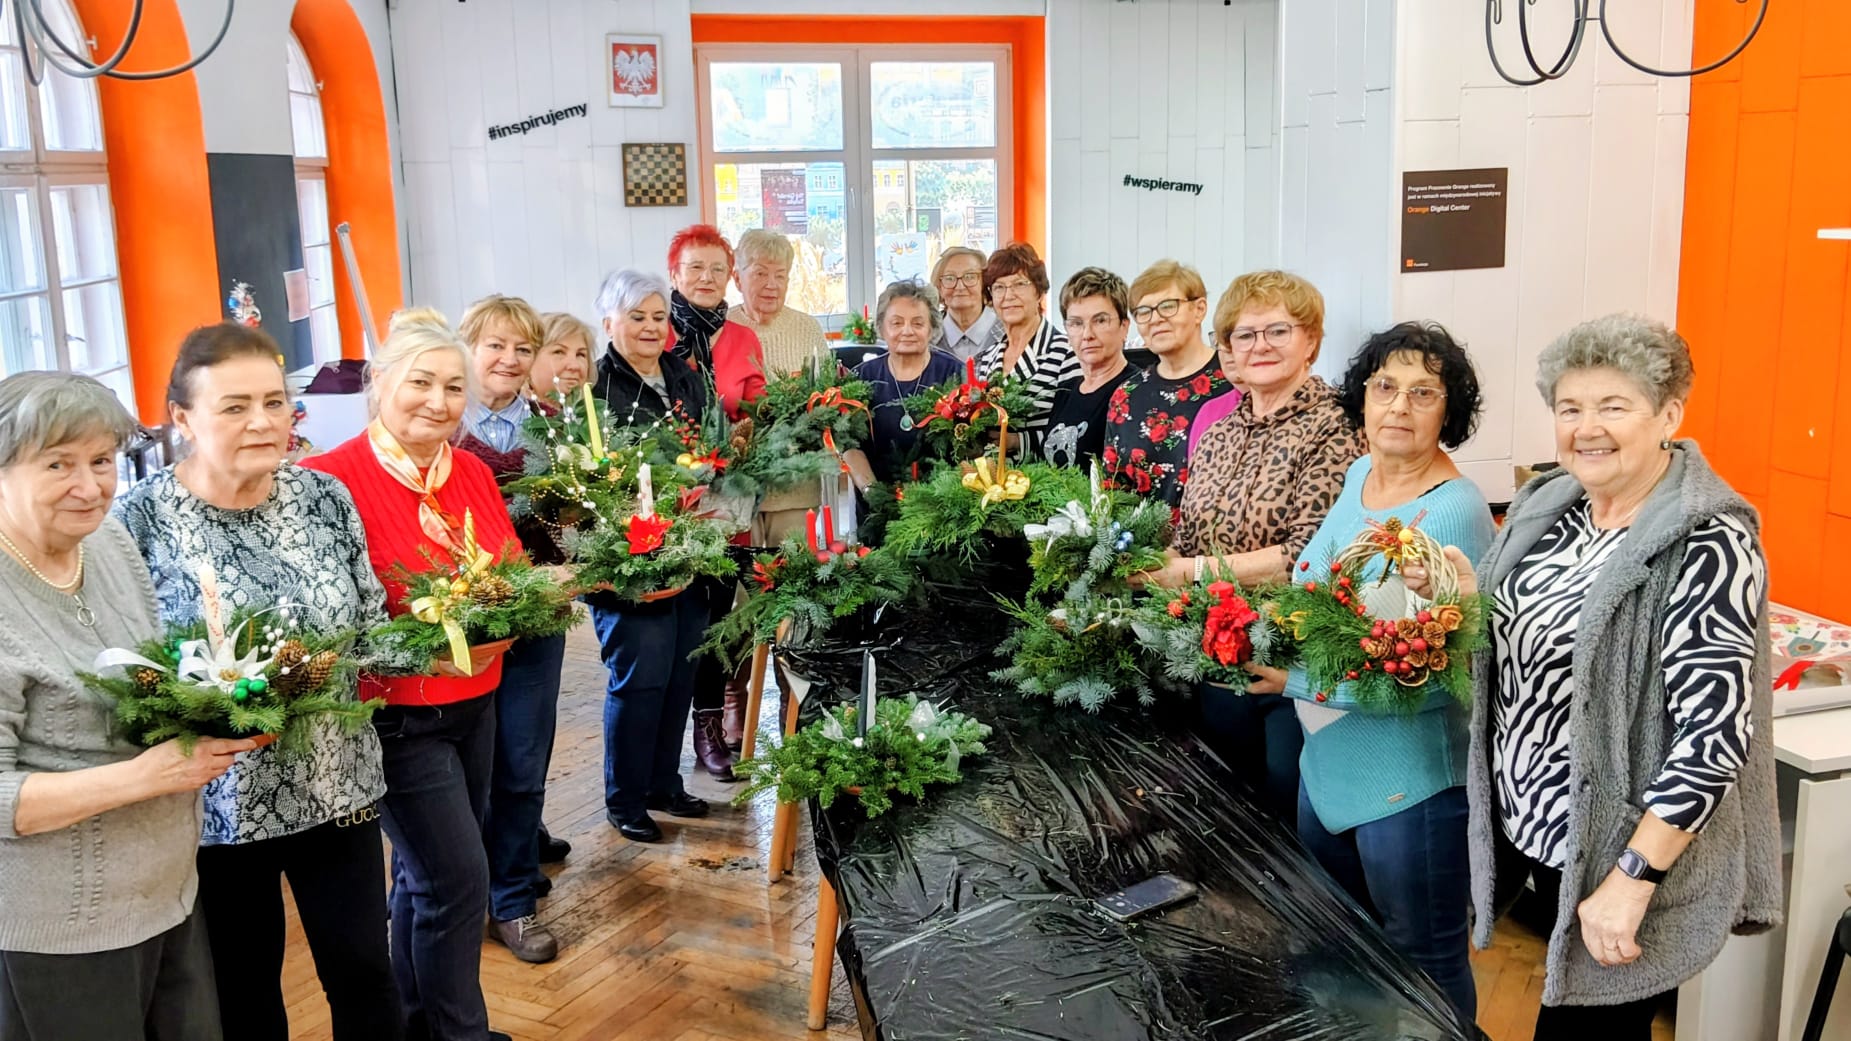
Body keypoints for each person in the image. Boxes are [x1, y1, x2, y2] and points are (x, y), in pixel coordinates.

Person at [1408, 313, 1780, 1040]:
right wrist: (1464, 597)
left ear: (1668, 413)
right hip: (1540, 836)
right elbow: (1537, 643)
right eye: (1569, 407)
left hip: (1622, 852)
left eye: (1613, 406)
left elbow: (1712, 737)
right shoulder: (1553, 505)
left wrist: (1631, 878)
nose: (1586, 427)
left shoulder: (1707, 539)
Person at [114, 324, 404, 1039]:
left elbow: (369, 627)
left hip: (338, 785)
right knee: (243, 993)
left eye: (275, 402)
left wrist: (446, 630)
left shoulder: (323, 497)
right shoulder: (137, 520)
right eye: (235, 405)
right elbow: (128, 670)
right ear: (181, 417)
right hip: (216, 808)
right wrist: (212, 705)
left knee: (366, 972)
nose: (264, 421)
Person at [1240, 322, 1493, 1027]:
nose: (1398, 407)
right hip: (1327, 766)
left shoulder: (1452, 510)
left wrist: (1290, 680)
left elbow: (1435, 674)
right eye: (1384, 387)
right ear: (1362, 397)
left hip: (1406, 784)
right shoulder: (1358, 476)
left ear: (1450, 409)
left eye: (1423, 393)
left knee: (1425, 962)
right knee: (1344, 949)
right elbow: (1313, 588)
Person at [0, 371, 254, 1041]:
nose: (90, 486)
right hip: (60, 929)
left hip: (167, 892)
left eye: (102, 460)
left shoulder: (109, 542)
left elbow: (146, 677)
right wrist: (146, 776)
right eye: (58, 463)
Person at [302, 308, 524, 1041]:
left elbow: (512, 573)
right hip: (396, 715)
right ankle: (461, 1032)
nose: (437, 400)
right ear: (379, 383)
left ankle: (413, 1021)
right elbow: (328, 621)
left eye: (453, 387)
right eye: (420, 382)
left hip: (476, 700)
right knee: (458, 879)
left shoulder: (469, 471)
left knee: (424, 880)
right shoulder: (327, 482)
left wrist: (521, 604)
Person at [1148, 270, 1366, 827]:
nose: (1259, 346)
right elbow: (1190, 532)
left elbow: (1302, 556)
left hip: (1288, 661)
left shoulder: (1336, 426)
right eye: (1244, 335)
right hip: (1214, 651)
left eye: (1277, 330)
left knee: (1281, 820)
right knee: (1225, 811)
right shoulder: (1220, 431)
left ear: (1311, 340)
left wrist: (1190, 571)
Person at [454, 295, 570, 965]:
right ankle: (454, 891)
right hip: (457, 627)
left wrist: (574, 544)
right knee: (463, 769)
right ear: (469, 349)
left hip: (536, 617)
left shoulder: (554, 427)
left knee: (522, 763)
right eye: (495, 345)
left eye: (523, 348)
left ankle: (513, 899)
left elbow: (573, 526)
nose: (508, 359)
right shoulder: (438, 430)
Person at [587, 269, 713, 842]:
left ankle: (664, 781)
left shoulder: (683, 375)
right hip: (629, 559)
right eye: (636, 316)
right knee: (639, 678)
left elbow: (703, 443)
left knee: (681, 672)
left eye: (659, 317)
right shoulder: (595, 384)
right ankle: (626, 797)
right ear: (608, 321)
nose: (649, 327)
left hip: (687, 547)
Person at [1101, 260, 1234, 506]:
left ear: (1200, 309)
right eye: (1144, 312)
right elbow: (1113, 492)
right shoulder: (1126, 395)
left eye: (1168, 306)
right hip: (1137, 542)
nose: (1156, 319)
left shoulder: (1236, 382)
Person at [974, 242, 1079, 457]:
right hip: (990, 479)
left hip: (1047, 480)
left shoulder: (1067, 352)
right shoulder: (985, 359)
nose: (1008, 295)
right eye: (999, 287)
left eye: (1019, 284)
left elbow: (1075, 428)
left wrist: (1018, 441)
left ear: (1038, 292)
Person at [854, 280, 963, 484]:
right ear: (881, 328)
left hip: (942, 500)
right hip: (876, 502)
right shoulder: (861, 378)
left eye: (917, 323)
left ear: (931, 329)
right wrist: (872, 493)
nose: (907, 331)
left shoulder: (956, 374)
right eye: (896, 323)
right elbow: (850, 445)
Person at [666, 223, 766, 419]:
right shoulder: (653, 335)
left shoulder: (744, 339)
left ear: (728, 277)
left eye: (718, 269)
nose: (707, 277)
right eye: (696, 267)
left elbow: (758, 417)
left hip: (729, 448)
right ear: (674, 276)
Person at [1044, 267, 1135, 470]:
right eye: (1076, 323)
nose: (1087, 334)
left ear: (1124, 326)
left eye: (1100, 320)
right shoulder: (1065, 392)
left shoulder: (1136, 390)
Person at [729, 229, 827, 376]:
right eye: (760, 274)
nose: (772, 285)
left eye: (780, 276)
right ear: (737, 279)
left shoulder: (808, 328)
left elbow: (828, 392)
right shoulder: (719, 330)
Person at [930, 246, 1004, 361]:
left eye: (970, 277)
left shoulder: (1008, 330)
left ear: (984, 283)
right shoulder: (927, 334)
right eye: (949, 278)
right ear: (939, 287)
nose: (960, 287)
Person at [530, 312, 596, 398]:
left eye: (580, 354)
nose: (574, 366)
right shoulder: (513, 410)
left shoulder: (597, 410)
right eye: (559, 352)